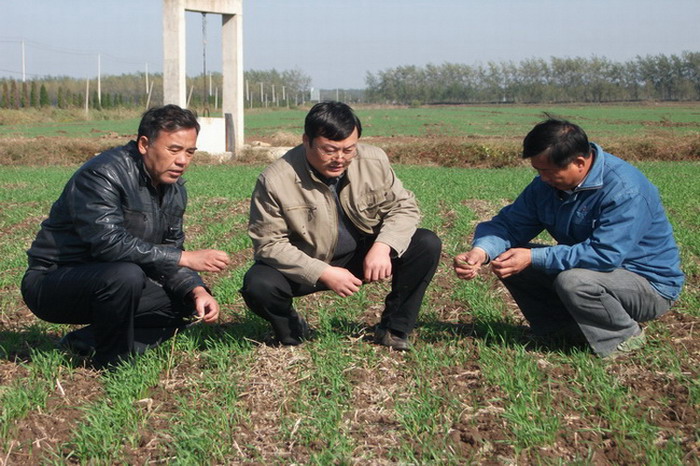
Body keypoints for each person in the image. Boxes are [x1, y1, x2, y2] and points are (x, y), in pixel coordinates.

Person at [453, 118, 684, 358]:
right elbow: (509, 225)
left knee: (574, 281)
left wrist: (533, 257)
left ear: (579, 163)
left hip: (648, 285)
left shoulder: (625, 190)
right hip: (595, 274)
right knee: (507, 257)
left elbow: (604, 255)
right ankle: (562, 332)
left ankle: (622, 337)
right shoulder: (546, 187)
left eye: (548, 171)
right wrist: (482, 251)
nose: (542, 178)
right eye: (538, 170)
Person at [21, 104, 230, 369]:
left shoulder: (174, 190)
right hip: (55, 281)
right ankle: (113, 362)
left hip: (115, 280)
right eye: (174, 149)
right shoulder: (102, 174)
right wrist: (185, 257)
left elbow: (169, 250)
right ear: (144, 144)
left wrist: (196, 290)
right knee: (125, 275)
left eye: (190, 152)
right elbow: (108, 243)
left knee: (185, 301)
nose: (182, 160)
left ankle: (86, 342)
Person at [240, 101, 441, 350]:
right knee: (259, 284)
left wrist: (383, 246)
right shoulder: (275, 180)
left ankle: (394, 329)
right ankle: (292, 329)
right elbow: (269, 244)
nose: (340, 159)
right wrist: (323, 272)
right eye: (330, 150)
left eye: (349, 149)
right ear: (306, 141)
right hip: (307, 261)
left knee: (425, 243)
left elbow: (404, 206)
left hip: (362, 254)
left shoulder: (374, 160)